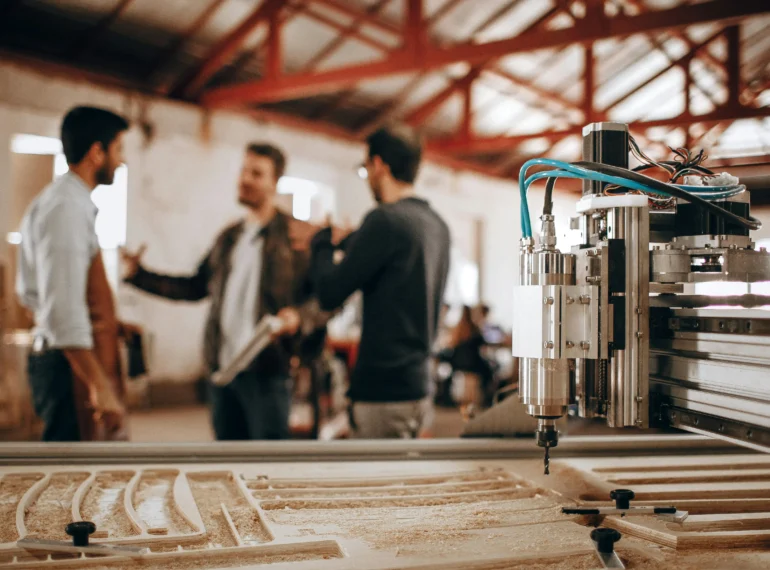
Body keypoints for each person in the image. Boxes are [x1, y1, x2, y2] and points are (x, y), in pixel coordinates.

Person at [121, 143, 326, 440]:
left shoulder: (296, 238)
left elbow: (326, 300)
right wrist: (140, 277)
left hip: (267, 371)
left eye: (257, 173)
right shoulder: (229, 239)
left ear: (275, 182)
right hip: (222, 373)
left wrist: (299, 316)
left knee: (267, 466)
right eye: (244, 170)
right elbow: (194, 287)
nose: (245, 179)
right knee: (226, 462)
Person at [296, 125, 451, 438]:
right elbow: (390, 260)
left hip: (383, 391)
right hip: (419, 387)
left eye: (367, 168)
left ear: (379, 165)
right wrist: (351, 240)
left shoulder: (384, 219)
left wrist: (322, 242)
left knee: (380, 484)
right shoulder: (436, 226)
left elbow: (329, 293)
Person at [16, 106, 129, 441]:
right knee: (70, 477)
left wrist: (112, 322)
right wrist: (99, 386)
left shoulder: (68, 202)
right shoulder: (66, 208)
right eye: (118, 150)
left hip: (67, 360)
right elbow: (63, 309)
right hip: (66, 367)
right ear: (97, 153)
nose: (121, 162)